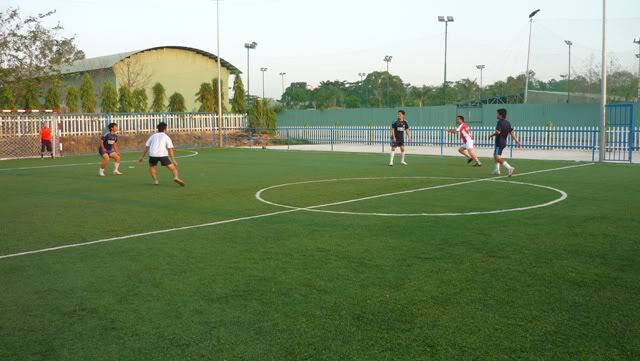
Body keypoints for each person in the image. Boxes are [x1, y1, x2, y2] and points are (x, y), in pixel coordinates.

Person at [138, 122, 185, 186]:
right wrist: (173, 160)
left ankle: (155, 181)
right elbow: (170, 149)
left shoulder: (153, 136)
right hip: (163, 155)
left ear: (158, 129)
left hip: (153, 155)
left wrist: (142, 157)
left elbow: (147, 147)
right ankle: (176, 177)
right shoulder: (166, 137)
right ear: (165, 129)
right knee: (173, 168)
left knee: (152, 167)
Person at [489, 108, 521, 177]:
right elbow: (512, 133)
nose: (496, 115)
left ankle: (509, 168)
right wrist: (517, 141)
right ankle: (497, 170)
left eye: (497, 114)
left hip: (499, 142)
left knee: (497, 157)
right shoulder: (508, 122)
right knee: (495, 154)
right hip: (504, 142)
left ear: (500, 115)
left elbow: (498, 132)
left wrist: (491, 135)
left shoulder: (499, 122)